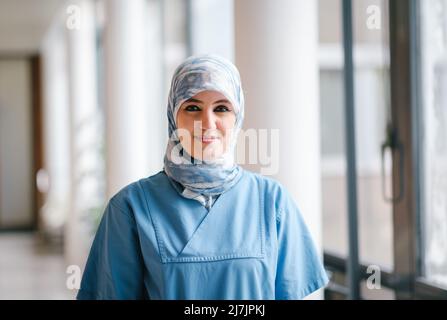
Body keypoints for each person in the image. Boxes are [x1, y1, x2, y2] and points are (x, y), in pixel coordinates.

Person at [77, 54, 329, 300]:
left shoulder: (272, 201)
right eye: (192, 107)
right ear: (173, 116)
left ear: (237, 118)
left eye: (221, 108)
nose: (207, 123)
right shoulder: (130, 207)